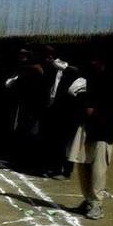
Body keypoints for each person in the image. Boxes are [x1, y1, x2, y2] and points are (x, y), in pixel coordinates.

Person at [68, 51, 113, 220]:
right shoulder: (89, 78)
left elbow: (111, 105)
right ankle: (88, 199)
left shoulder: (112, 80)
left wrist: (92, 106)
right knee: (82, 164)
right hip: (87, 127)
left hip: (103, 130)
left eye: (95, 59)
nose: (92, 62)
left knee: (98, 168)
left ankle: (97, 204)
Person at [41, 46, 77, 179]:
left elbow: (74, 71)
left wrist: (62, 67)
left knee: (66, 142)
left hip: (67, 111)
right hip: (54, 108)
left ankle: (66, 171)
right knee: (54, 140)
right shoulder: (53, 71)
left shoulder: (72, 70)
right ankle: (54, 168)